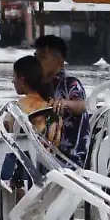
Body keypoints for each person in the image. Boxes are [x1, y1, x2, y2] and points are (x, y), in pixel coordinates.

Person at [34, 35, 90, 167]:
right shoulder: (40, 86)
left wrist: (66, 103)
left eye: (42, 57)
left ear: (59, 62)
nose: (37, 62)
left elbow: (81, 105)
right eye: (35, 57)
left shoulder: (70, 83)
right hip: (45, 154)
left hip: (69, 159)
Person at [12, 55, 61, 146]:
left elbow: (8, 136)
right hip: (49, 158)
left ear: (22, 80)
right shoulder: (52, 109)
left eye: (14, 76)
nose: (13, 81)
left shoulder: (17, 108)